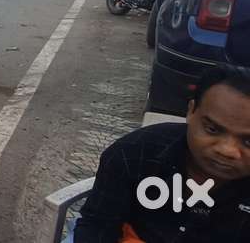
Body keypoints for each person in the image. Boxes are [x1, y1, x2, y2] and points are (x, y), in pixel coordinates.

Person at [73, 66, 250, 242]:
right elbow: (97, 226)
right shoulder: (135, 152)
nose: (227, 150)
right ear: (191, 111)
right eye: (212, 129)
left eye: (248, 142)